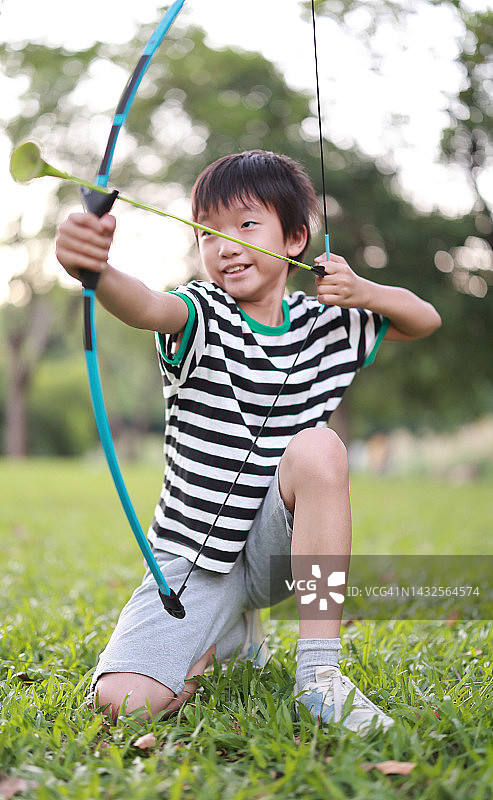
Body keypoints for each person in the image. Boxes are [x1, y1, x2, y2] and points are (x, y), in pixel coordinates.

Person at [56, 150, 441, 734]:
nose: (226, 245)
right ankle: (225, 639)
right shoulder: (201, 311)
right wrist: (96, 271)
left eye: (246, 225)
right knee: (123, 704)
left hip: (276, 548)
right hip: (193, 558)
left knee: (318, 447)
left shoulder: (325, 322)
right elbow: (146, 306)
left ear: (294, 240)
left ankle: (319, 680)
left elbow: (424, 319)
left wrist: (364, 291)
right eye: (209, 232)